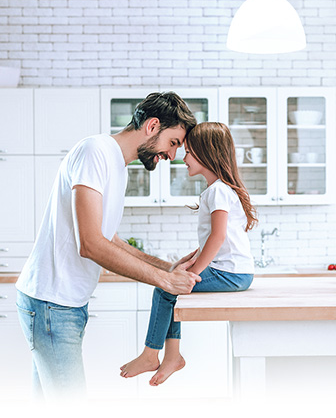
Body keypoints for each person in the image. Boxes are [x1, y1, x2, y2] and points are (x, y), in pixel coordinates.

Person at [15, 91, 202, 400]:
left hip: (64, 304)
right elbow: (89, 244)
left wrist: (164, 265)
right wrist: (165, 280)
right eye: (172, 143)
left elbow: (108, 238)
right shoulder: (95, 151)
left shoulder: (115, 164)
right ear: (152, 126)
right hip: (51, 304)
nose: (172, 156)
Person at [120, 121, 258, 386]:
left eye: (190, 152)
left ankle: (153, 355)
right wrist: (191, 262)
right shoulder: (219, 190)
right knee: (171, 285)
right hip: (235, 272)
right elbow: (217, 238)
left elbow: (217, 238)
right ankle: (172, 357)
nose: (183, 157)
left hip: (229, 274)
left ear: (208, 154)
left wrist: (192, 274)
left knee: (165, 289)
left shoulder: (218, 191)